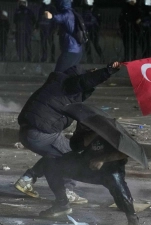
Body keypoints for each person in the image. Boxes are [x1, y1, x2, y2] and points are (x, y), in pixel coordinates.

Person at [14, 62, 121, 203]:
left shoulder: (58, 84)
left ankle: (28, 178)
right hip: (41, 133)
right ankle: (67, 192)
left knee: (56, 153)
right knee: (71, 154)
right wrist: (107, 71)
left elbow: (84, 81)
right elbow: (84, 81)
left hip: (28, 132)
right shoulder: (69, 85)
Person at [40, 121, 139, 225]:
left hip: (110, 170)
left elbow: (126, 153)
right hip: (86, 166)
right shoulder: (83, 126)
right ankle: (61, 203)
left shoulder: (112, 129)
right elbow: (75, 147)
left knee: (121, 197)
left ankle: (132, 218)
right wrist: (93, 134)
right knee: (50, 164)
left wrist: (102, 159)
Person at [44, 0, 83, 72]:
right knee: (69, 75)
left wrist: (51, 16)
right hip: (76, 50)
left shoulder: (67, 13)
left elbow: (60, 17)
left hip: (71, 50)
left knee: (58, 74)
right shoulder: (72, 12)